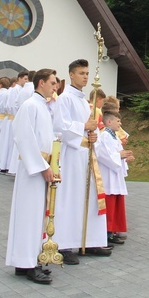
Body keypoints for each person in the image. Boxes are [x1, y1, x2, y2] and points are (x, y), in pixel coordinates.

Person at [53, 59, 110, 265]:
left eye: (87, 73)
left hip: (86, 153)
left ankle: (90, 240)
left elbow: (88, 129)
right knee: (71, 198)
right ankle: (65, 244)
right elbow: (60, 127)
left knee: (89, 196)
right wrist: (83, 126)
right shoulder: (64, 99)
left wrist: (92, 135)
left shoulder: (84, 101)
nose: (85, 76)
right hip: (71, 154)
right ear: (71, 75)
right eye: (81, 73)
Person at [6, 69, 57, 285]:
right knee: (28, 216)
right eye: (53, 83)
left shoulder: (42, 106)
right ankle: (27, 264)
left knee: (36, 216)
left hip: (41, 166)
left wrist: (53, 164)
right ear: (41, 82)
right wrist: (42, 166)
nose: (56, 87)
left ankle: (26, 261)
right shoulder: (30, 105)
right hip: (32, 169)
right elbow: (24, 138)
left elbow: (46, 138)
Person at [95, 111, 134, 245]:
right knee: (110, 204)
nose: (120, 124)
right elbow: (104, 155)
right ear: (109, 122)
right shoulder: (105, 136)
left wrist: (125, 157)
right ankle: (107, 233)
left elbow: (116, 153)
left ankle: (114, 231)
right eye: (118, 121)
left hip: (115, 175)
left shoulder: (114, 137)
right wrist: (120, 156)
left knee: (117, 203)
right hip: (108, 175)